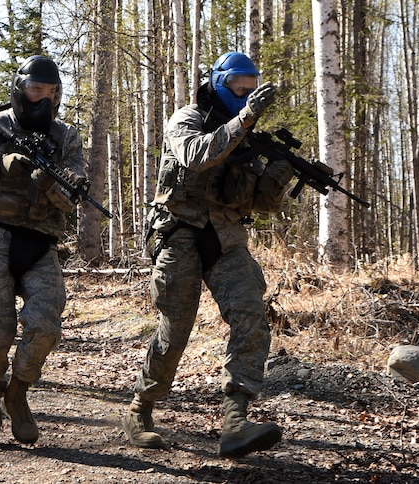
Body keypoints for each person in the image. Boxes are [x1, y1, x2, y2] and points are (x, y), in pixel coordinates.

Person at [122, 51, 294, 458]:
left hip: (227, 238)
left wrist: (281, 171)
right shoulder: (188, 118)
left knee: (251, 313)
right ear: (218, 82)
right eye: (238, 84)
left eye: (251, 86)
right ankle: (140, 408)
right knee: (175, 331)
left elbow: (263, 204)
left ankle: (235, 421)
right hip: (179, 232)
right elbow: (196, 156)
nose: (245, 92)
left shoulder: (247, 135)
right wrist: (244, 120)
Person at [0, 55, 86, 451]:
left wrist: (49, 182)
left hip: (41, 243)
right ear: (20, 87)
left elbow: (74, 198)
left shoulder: (66, 137)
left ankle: (18, 392)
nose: (42, 98)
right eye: (35, 89)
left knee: (45, 325)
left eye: (50, 91)